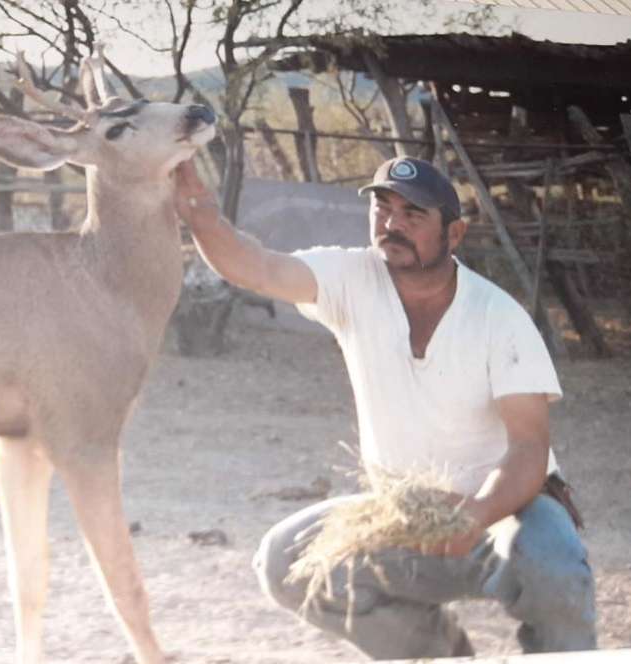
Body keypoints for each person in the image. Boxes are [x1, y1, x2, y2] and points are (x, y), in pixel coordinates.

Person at [173, 156, 595, 659]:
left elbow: (529, 446)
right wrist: (200, 213)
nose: (393, 224)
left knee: (557, 566)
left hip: (505, 514)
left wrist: (477, 513)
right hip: (404, 515)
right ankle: (437, 655)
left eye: (413, 214)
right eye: (383, 208)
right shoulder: (351, 277)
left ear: (454, 233)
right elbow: (257, 267)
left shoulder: (498, 316)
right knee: (287, 562)